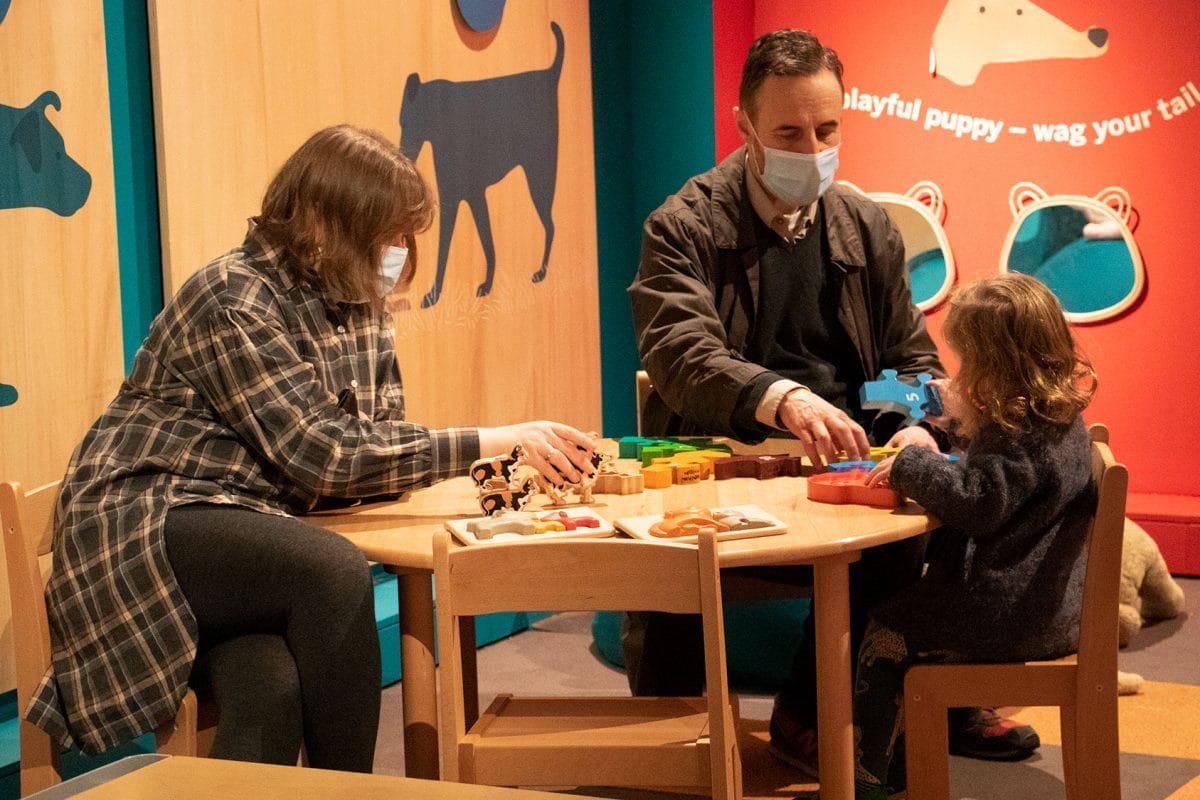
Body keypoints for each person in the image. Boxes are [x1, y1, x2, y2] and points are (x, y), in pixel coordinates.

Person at [28, 125, 596, 771]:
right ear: (324, 223)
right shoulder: (234, 296)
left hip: (244, 527)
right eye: (389, 233)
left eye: (407, 235)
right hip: (147, 515)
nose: (401, 251)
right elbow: (324, 456)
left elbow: (375, 445)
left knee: (269, 680)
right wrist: (490, 440)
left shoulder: (357, 299)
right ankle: (352, 791)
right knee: (331, 571)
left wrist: (478, 463)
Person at [626, 28, 1037, 775]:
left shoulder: (865, 223)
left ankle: (907, 688)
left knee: (965, 482)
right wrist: (783, 400)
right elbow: (684, 358)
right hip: (729, 457)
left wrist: (910, 426)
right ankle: (770, 717)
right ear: (744, 124)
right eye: (788, 131)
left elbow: (906, 359)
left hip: (851, 458)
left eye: (827, 129)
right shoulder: (683, 226)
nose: (811, 147)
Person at [828, 273, 1099, 800]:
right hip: (1044, 608)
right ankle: (900, 764)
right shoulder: (1053, 418)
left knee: (882, 636)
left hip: (1002, 614)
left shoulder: (1021, 434)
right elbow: (1003, 479)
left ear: (995, 363)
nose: (962, 370)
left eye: (968, 359)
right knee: (896, 616)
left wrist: (911, 464)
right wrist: (946, 431)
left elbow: (978, 502)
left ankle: (872, 784)